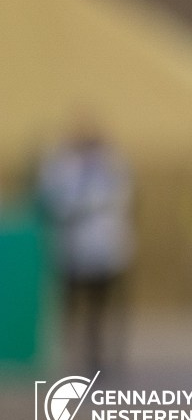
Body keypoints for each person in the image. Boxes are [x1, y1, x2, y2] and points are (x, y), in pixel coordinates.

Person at [36, 120, 132, 373]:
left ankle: (99, 356)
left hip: (105, 249)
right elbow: (51, 199)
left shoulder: (112, 164)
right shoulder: (60, 165)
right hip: (72, 247)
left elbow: (123, 198)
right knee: (70, 305)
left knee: (101, 307)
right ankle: (69, 354)